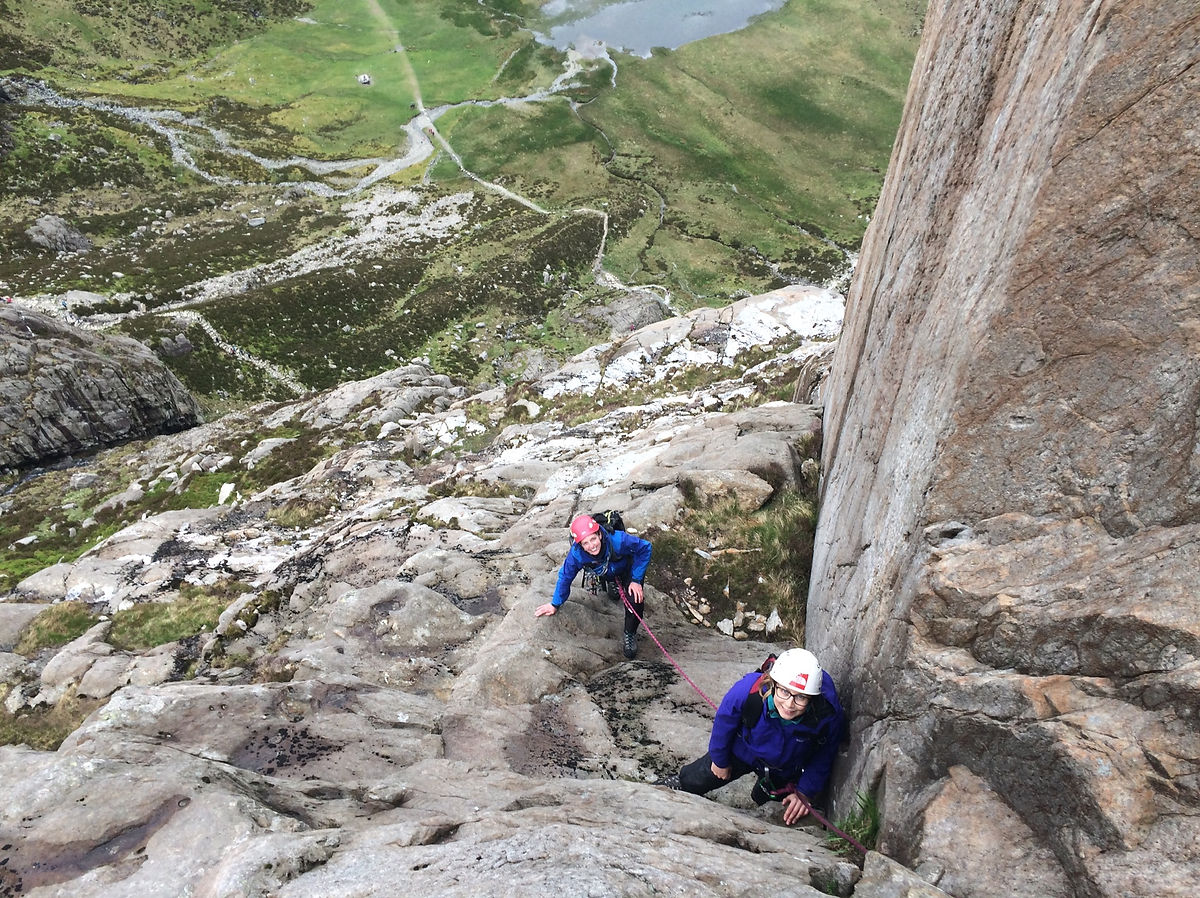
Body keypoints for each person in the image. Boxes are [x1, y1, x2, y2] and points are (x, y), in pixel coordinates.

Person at [661, 648, 844, 825]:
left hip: (786, 766)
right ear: (772, 684)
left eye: (801, 698)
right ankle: (679, 783)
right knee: (704, 775)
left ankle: (762, 791)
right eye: (784, 691)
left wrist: (804, 792)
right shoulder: (748, 691)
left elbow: (825, 753)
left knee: (769, 800)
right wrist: (719, 760)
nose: (789, 704)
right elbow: (724, 721)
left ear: (812, 699)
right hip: (744, 749)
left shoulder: (826, 715)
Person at [535, 514, 652, 659]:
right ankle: (612, 582)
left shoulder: (618, 540)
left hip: (627, 569)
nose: (592, 546)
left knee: (635, 601)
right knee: (609, 581)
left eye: (593, 539)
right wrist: (555, 604)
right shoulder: (577, 555)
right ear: (579, 544)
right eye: (586, 543)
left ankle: (630, 633)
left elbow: (645, 548)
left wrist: (636, 579)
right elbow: (565, 577)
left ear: (599, 535)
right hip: (605, 571)